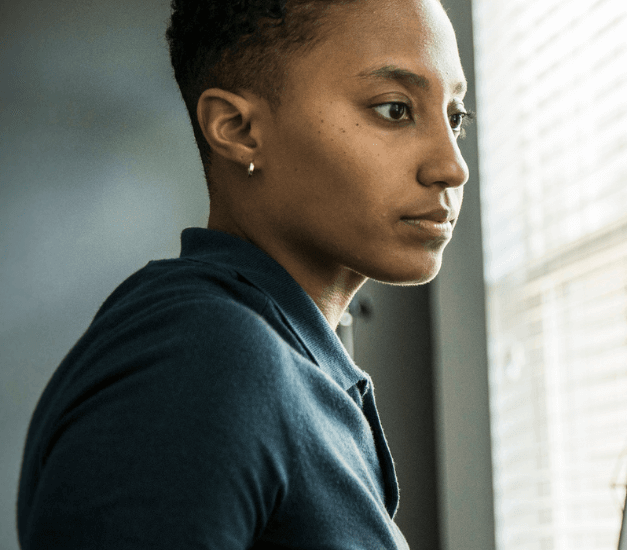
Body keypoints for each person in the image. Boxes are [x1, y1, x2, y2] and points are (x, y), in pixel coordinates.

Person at [15, 0, 469, 547]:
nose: (452, 166)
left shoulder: (286, 362)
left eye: (456, 116)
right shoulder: (200, 354)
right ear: (237, 128)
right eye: (395, 109)